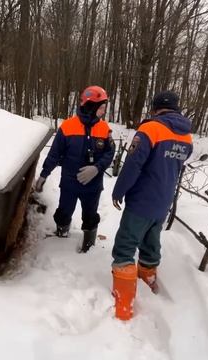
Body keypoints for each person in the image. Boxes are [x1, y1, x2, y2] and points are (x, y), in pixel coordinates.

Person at [110, 90, 193, 320]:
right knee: (150, 241)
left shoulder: (150, 129)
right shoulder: (186, 136)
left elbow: (133, 164)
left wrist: (119, 190)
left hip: (142, 200)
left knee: (126, 245)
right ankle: (148, 278)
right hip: (163, 201)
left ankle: (124, 304)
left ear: (155, 108)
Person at [35, 85, 115, 253]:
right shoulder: (68, 126)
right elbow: (54, 154)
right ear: (91, 107)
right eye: (101, 108)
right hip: (69, 183)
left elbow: (110, 153)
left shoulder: (104, 129)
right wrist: (44, 174)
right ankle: (62, 235)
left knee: (90, 215)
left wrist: (96, 168)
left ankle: (88, 246)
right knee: (64, 212)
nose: (103, 112)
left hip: (92, 185)